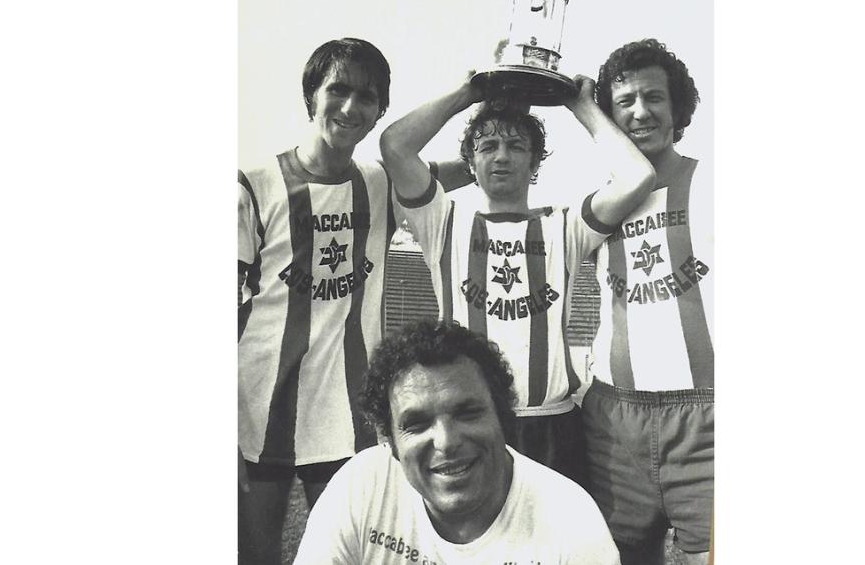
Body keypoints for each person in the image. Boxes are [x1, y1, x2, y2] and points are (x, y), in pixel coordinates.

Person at [238, 38, 471, 565]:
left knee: (352, 555)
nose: (350, 107)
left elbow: (472, 165)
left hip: (347, 415)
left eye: (367, 97)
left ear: (380, 111)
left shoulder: (379, 183)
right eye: (337, 89)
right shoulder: (253, 186)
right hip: (258, 411)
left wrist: (485, 92)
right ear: (310, 97)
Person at [378, 75, 657, 486]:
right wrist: (467, 92)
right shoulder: (444, 222)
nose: (502, 156)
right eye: (488, 147)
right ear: (471, 164)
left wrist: (578, 104)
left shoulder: (565, 225)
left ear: (535, 160)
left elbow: (637, 176)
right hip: (470, 424)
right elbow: (394, 146)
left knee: (554, 545)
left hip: (553, 425)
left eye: (516, 146)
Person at [294, 318, 621, 564]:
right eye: (417, 424)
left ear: (502, 419)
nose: (446, 442)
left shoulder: (572, 521)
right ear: (390, 442)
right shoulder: (360, 487)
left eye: (467, 413)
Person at [582, 38, 714, 565]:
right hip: (614, 422)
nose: (641, 112)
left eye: (654, 97)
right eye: (625, 102)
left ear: (677, 107)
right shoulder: (600, 203)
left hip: (705, 417)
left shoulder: (714, 181)